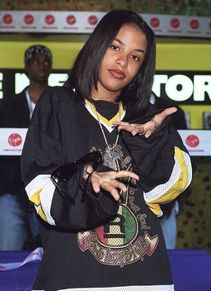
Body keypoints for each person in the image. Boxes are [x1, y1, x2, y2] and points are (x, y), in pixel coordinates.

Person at [21, 10, 192, 291]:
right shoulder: (57, 103)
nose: (123, 62)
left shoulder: (147, 117)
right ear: (97, 45)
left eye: (135, 57)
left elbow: (170, 190)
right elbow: (40, 186)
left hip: (146, 279)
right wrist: (84, 182)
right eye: (115, 47)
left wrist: (151, 142)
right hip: (72, 277)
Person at [0, 44, 52, 250]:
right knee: (7, 254)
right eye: (36, 61)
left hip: (48, 192)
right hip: (12, 194)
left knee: (52, 259)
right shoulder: (7, 107)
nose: (42, 65)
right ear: (26, 67)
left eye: (46, 62)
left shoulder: (61, 105)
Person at [150, 93, 188, 249]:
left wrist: (176, 196)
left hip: (167, 193)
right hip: (131, 193)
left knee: (169, 255)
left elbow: (184, 154)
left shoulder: (172, 110)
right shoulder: (120, 105)